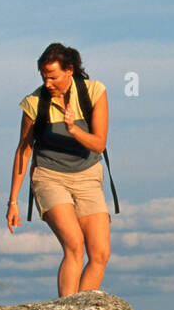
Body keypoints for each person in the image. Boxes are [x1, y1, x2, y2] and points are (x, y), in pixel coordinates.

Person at [6, 43, 111, 296]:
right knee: (74, 245)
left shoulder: (94, 91)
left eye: (53, 77)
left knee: (100, 254)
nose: (48, 83)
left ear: (70, 70)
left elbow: (99, 143)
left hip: (88, 176)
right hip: (49, 177)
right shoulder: (34, 103)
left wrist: (74, 129)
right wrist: (13, 201)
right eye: (44, 77)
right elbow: (24, 150)